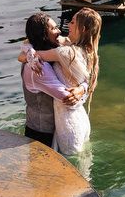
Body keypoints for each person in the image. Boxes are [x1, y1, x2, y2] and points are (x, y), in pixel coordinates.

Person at [26, 7, 102, 156]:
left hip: (68, 125)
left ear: (83, 28)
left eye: (73, 22)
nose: (66, 25)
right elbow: (89, 79)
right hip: (81, 119)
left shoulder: (64, 52)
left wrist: (29, 53)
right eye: (54, 28)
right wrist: (83, 89)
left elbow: (30, 55)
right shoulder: (87, 51)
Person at [18, 12, 86, 147]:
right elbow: (67, 97)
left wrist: (82, 87)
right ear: (43, 34)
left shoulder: (43, 54)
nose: (59, 31)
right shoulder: (38, 67)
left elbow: (27, 45)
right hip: (41, 133)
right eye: (54, 28)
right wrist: (83, 89)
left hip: (49, 129)